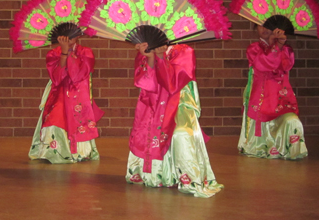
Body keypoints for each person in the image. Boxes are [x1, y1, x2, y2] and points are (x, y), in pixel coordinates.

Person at [126, 42, 223, 198]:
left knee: (181, 134)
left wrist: (159, 57)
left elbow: (173, 84)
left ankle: (188, 177)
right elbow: (145, 82)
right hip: (153, 103)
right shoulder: (146, 49)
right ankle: (157, 175)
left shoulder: (185, 51)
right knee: (148, 132)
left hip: (180, 103)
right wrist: (150, 57)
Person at [29, 35, 104, 163]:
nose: (68, 38)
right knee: (55, 117)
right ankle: (55, 152)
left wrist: (69, 53)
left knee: (78, 120)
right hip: (60, 92)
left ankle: (78, 152)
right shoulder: (53, 53)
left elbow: (77, 75)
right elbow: (57, 78)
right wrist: (64, 52)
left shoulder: (86, 52)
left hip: (79, 94)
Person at [237, 26, 308, 159]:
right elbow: (265, 64)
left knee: (292, 121)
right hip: (259, 97)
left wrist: (279, 44)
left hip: (280, 98)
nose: (264, 29)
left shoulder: (286, 50)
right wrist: (274, 45)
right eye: (260, 25)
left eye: (269, 26)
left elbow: (285, 66)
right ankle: (262, 147)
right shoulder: (254, 48)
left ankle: (290, 149)